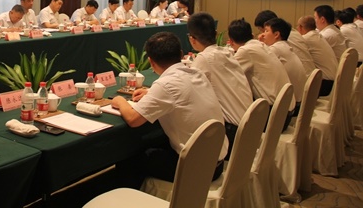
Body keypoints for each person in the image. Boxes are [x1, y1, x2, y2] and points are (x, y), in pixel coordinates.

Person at [111, 32, 227, 183]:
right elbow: (180, 93)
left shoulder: (165, 85)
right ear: (181, 54)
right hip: (216, 161)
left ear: (151, 62)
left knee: (129, 159)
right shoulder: (197, 73)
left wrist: (120, 101)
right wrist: (151, 92)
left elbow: (133, 119)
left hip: (197, 169)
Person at [187, 12, 252, 159]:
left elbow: (186, 90)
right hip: (248, 129)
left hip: (231, 135)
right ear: (216, 34)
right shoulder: (227, 53)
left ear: (192, 39)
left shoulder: (204, 58)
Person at [228, 18, 295, 127]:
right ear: (251, 35)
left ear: (231, 41)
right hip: (286, 111)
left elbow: (229, 75)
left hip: (276, 117)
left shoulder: (245, 51)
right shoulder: (260, 45)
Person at [260, 18, 307, 115]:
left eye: (266, 31)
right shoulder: (285, 46)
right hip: (300, 103)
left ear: (276, 34)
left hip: (290, 107)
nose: (263, 34)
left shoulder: (276, 49)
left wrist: (260, 44)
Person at [254, 10, 316, 75]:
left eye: (265, 31)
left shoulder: (283, 41)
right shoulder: (291, 33)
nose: (262, 34)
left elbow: (259, 60)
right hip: (307, 75)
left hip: (304, 75)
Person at [296, 15, 338, 97]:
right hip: (332, 82)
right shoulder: (318, 36)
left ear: (300, 27)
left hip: (324, 84)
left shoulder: (305, 39)